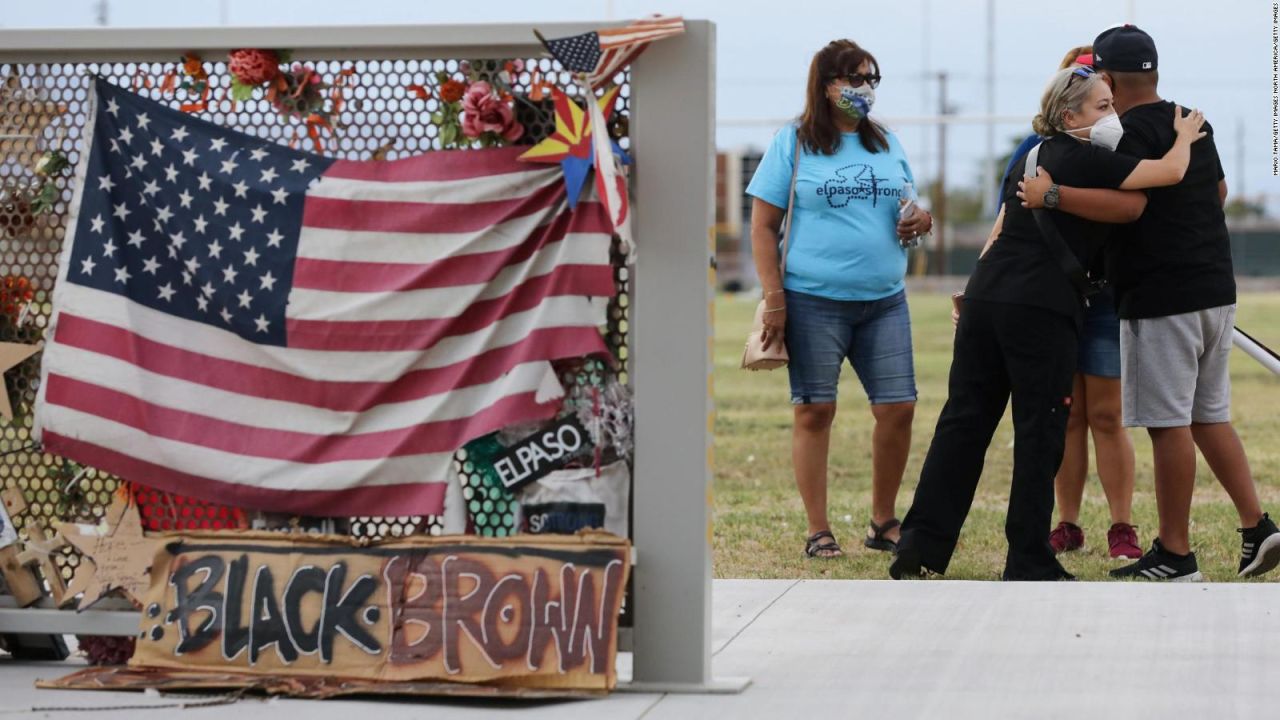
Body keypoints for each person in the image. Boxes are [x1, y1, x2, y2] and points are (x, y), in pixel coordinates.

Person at [890, 61, 1205, 581]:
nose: (1113, 118)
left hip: (988, 298)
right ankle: (1028, 556)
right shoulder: (1083, 157)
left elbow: (1002, 227)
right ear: (1067, 114)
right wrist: (1186, 135)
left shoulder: (1030, 156)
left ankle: (919, 544)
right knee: (1040, 431)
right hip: (1040, 308)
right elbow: (1167, 175)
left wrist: (969, 290)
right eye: (1103, 108)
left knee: (963, 423)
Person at [1019, 25, 1280, 580]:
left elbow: (1126, 205)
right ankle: (1258, 527)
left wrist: (1054, 195)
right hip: (1216, 288)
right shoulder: (1194, 119)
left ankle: (1176, 552)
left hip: (1162, 295)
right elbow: (1219, 194)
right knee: (1210, 416)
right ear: (1155, 72)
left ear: (1107, 79)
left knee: (1168, 425)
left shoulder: (1122, 134)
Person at [746, 39, 932, 559]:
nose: (864, 90)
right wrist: (775, 299)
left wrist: (922, 220)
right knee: (815, 412)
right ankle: (818, 529)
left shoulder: (887, 142)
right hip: (812, 300)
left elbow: (911, 206)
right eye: (854, 80)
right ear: (826, 85)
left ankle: (882, 521)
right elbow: (762, 227)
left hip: (885, 300)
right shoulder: (795, 142)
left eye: (872, 79)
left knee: (898, 409)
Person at [993, 45, 1141, 561]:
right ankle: (1067, 522)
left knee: (1107, 414)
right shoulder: (1034, 149)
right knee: (1066, 415)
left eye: (1105, 91)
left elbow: (1140, 203)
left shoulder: (1121, 145)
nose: (1105, 105)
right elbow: (1005, 218)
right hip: (1048, 297)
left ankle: (1122, 525)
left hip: (1100, 297)